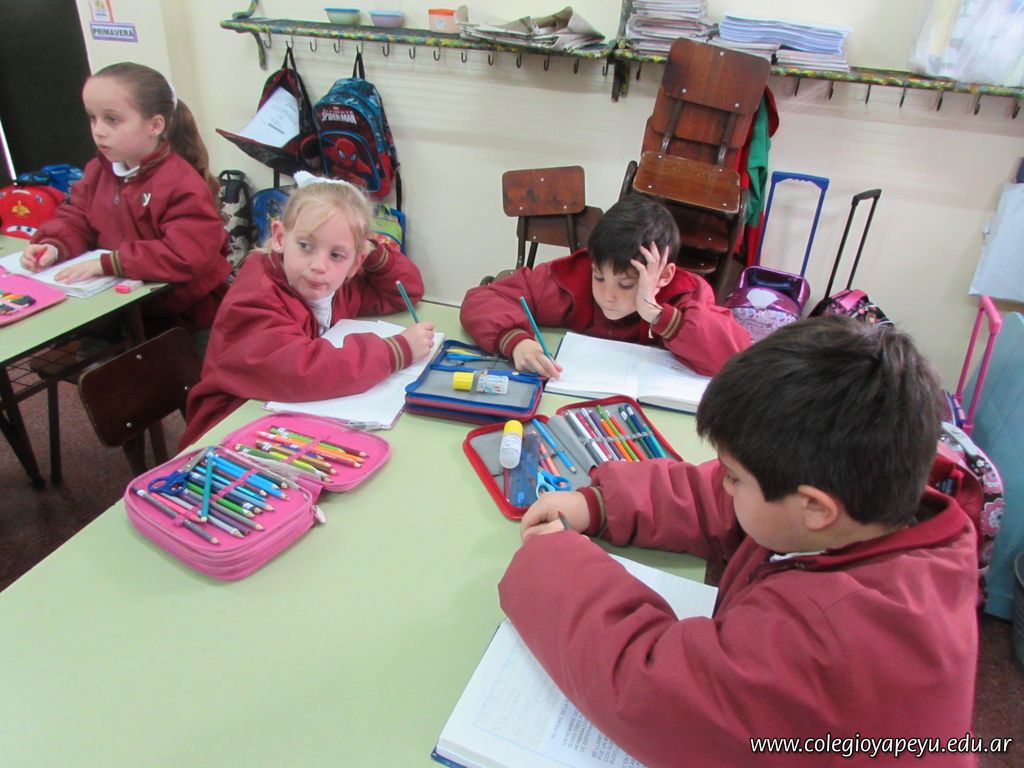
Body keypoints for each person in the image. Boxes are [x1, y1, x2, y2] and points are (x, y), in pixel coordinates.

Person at [500, 317, 979, 767]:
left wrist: (554, 565)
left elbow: (649, 690)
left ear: (816, 507)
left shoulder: (833, 635)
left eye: (734, 476)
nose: (723, 483)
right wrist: (602, 503)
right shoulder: (864, 502)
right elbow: (719, 498)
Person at [180, 173, 434, 448]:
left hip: (288, 419)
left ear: (355, 263)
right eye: (305, 246)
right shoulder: (255, 295)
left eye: (336, 254)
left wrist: (372, 252)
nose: (318, 266)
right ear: (280, 237)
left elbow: (404, 291)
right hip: (228, 431)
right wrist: (397, 351)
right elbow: (300, 370)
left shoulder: (335, 287)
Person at [21, 62, 230, 344]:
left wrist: (111, 263)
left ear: (155, 125)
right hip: (118, 309)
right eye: (93, 118)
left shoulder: (180, 183)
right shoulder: (98, 171)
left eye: (112, 119)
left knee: (163, 371)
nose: (98, 131)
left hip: (183, 319)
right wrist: (54, 246)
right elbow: (76, 217)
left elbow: (186, 253)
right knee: (94, 364)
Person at [459, 196, 750, 378]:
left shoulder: (686, 293)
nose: (608, 295)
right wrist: (516, 341)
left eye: (626, 284)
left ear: (663, 275)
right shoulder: (573, 275)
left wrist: (657, 314)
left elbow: (735, 357)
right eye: (599, 277)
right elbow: (483, 299)